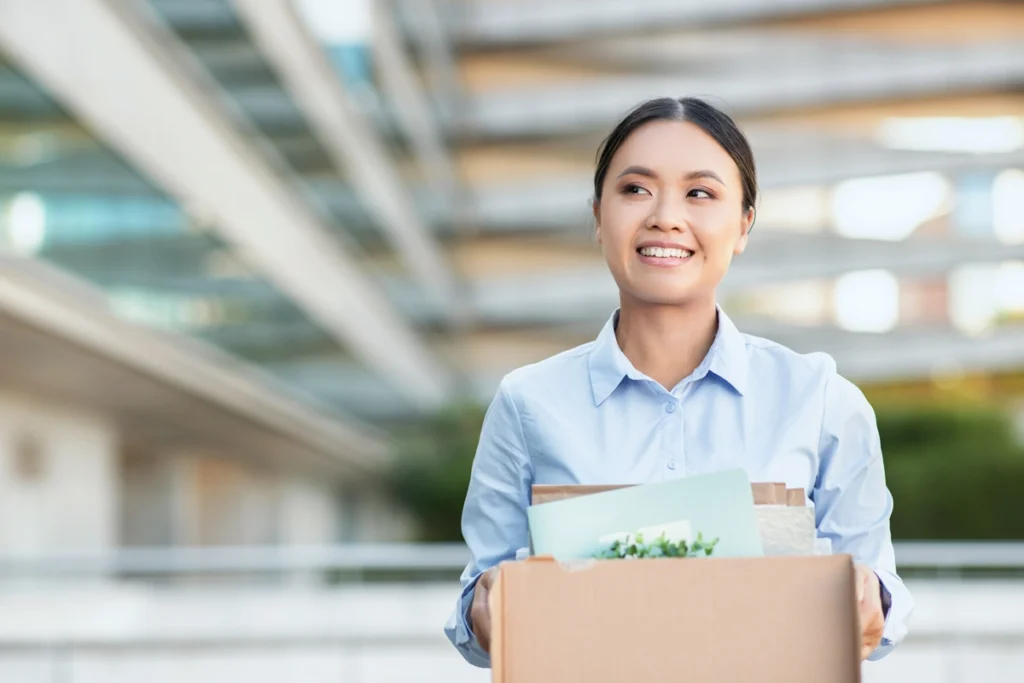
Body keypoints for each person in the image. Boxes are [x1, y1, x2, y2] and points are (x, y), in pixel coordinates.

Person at [444, 96, 912, 667]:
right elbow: (474, 604)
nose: (665, 216)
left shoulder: (819, 398)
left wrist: (869, 598)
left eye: (700, 193)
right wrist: (489, 604)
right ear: (598, 216)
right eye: (635, 189)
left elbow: (885, 599)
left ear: (743, 225)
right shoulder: (528, 402)